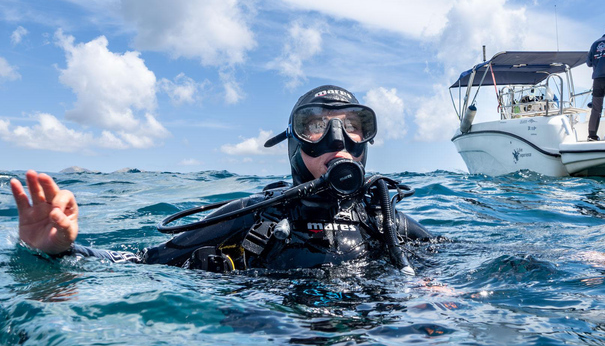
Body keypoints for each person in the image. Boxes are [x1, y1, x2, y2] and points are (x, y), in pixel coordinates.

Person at [10, 85, 432, 275]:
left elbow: (464, 266)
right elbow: (142, 262)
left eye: (354, 126)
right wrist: (59, 252)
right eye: (315, 125)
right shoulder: (256, 217)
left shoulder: (386, 222)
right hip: (281, 339)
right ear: (293, 144)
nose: (337, 142)